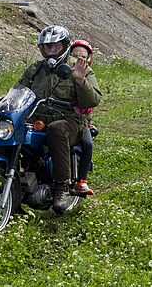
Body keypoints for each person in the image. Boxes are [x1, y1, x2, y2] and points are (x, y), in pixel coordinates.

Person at [13, 25, 102, 213]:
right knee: (13, 128)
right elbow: (19, 89)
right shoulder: (36, 69)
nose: (51, 51)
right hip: (38, 121)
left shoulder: (79, 67)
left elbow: (93, 100)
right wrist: (3, 100)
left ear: (65, 46)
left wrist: (80, 80)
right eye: (47, 47)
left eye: (56, 46)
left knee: (56, 129)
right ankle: (11, 182)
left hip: (70, 122)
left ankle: (62, 188)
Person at [69, 39, 98, 196]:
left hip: (80, 120)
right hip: (59, 116)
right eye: (75, 55)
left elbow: (92, 100)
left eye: (83, 56)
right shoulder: (62, 71)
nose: (79, 59)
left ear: (88, 59)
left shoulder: (88, 74)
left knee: (87, 143)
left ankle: (82, 180)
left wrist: (80, 108)